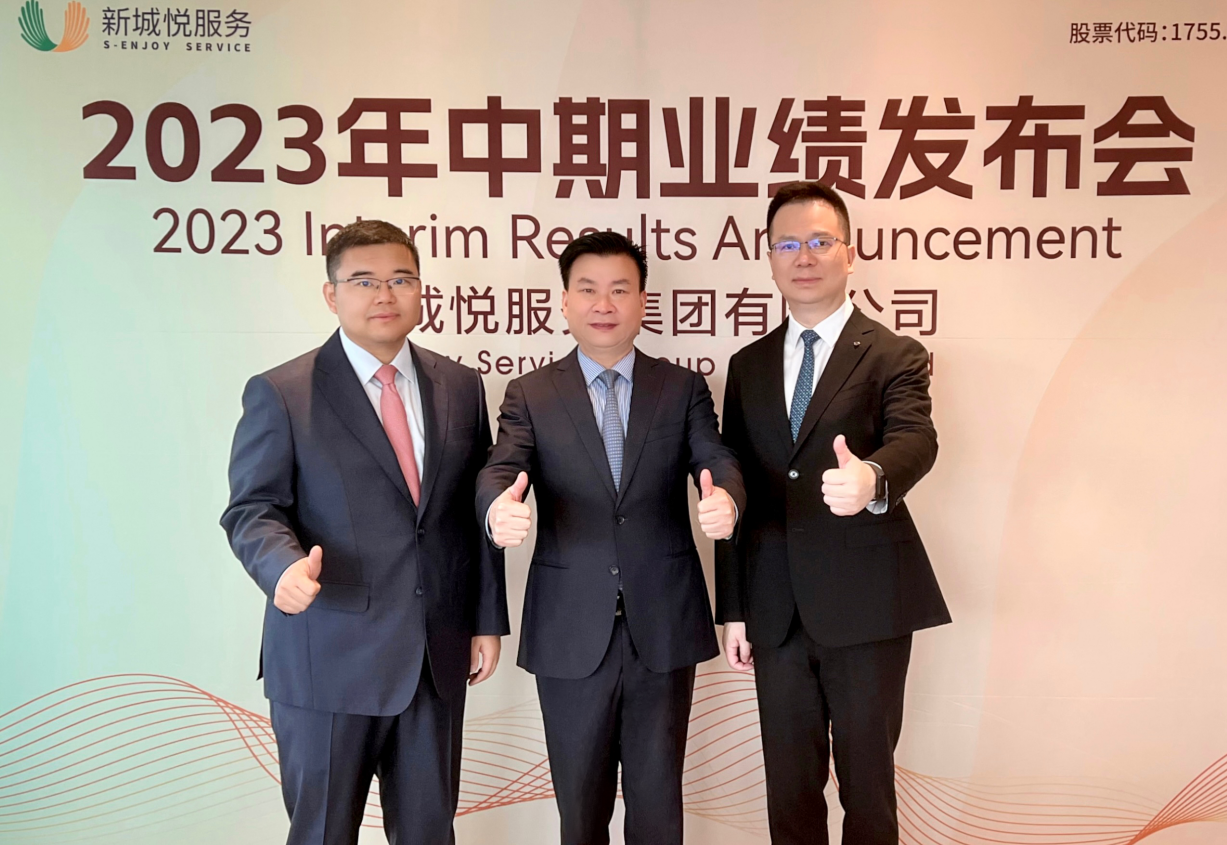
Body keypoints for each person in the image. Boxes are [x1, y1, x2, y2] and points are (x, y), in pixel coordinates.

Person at [221, 220, 508, 845]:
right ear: (332, 294)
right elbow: (252, 508)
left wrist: (485, 619)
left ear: (421, 289)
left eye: (401, 279)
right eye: (364, 281)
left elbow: (475, 508)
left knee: (429, 833)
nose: (385, 294)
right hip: (327, 656)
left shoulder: (460, 386)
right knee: (323, 832)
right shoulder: (282, 391)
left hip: (432, 658)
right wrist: (281, 568)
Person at [476, 231, 744, 845]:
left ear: (643, 301)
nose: (604, 304)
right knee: (580, 807)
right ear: (564, 301)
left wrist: (726, 495)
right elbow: (501, 468)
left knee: (658, 805)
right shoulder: (531, 393)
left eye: (620, 290)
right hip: (569, 627)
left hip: (663, 622)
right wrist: (496, 510)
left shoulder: (681, 388)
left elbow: (715, 457)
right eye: (588, 290)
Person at [715, 182, 951, 845]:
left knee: (866, 787)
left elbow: (917, 437)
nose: (804, 256)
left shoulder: (893, 353)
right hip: (775, 609)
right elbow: (732, 487)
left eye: (820, 241)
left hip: (867, 606)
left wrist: (872, 476)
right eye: (787, 243)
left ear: (849, 253)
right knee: (789, 790)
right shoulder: (748, 365)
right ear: (768, 257)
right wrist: (733, 607)